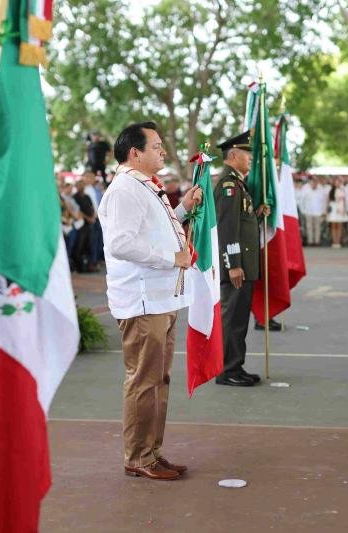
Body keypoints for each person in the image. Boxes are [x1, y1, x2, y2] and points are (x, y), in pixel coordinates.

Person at [98, 121, 202, 481]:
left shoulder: (144, 187)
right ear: (135, 153)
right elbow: (121, 244)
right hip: (143, 301)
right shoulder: (125, 189)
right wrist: (171, 258)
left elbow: (159, 229)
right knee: (145, 380)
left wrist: (184, 208)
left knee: (158, 380)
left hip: (160, 299)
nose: (162, 152)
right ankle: (139, 456)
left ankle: (152, 452)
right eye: (156, 147)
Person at [214, 130, 268, 387]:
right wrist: (234, 265)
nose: (250, 159)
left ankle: (236, 365)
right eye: (247, 154)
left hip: (243, 267)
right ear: (233, 154)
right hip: (236, 268)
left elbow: (243, 223)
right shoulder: (228, 185)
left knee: (238, 320)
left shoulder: (238, 184)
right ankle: (227, 370)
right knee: (232, 319)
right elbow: (227, 229)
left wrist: (257, 213)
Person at [299, 177, 328, 246]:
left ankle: (317, 241)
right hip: (308, 211)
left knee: (317, 227)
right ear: (310, 182)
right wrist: (303, 210)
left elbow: (324, 201)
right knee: (309, 227)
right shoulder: (305, 188)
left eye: (316, 182)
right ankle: (310, 241)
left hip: (318, 212)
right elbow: (301, 200)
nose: (315, 183)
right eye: (313, 181)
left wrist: (323, 211)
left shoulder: (321, 189)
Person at [327, 177, 348, 248]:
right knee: (333, 226)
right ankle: (334, 241)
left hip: (340, 208)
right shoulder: (331, 191)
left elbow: (344, 201)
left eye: (338, 182)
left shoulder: (342, 190)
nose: (337, 183)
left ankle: (338, 242)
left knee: (339, 226)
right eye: (336, 182)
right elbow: (328, 201)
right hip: (333, 208)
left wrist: (344, 209)